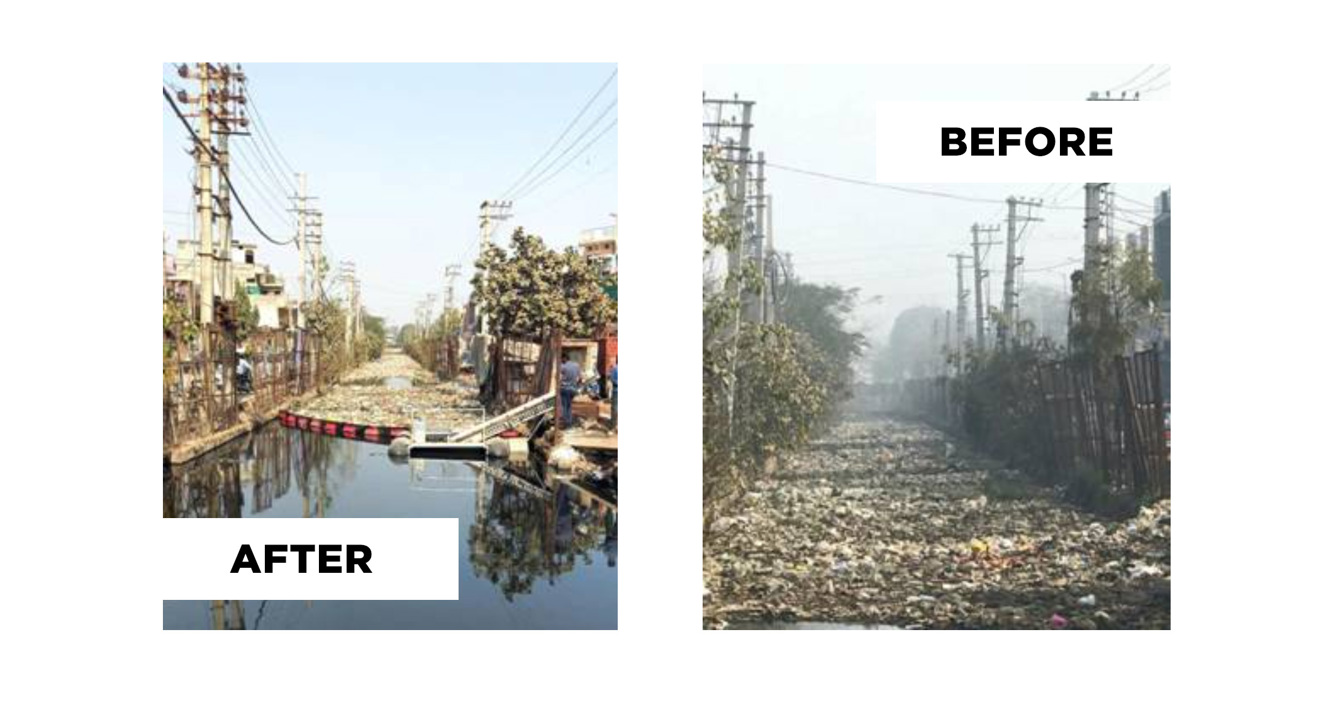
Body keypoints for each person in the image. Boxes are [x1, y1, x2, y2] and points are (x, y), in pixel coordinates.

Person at [559, 352, 581, 429]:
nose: (561, 360)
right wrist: (577, 386)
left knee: (564, 406)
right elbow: (580, 378)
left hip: (564, 389)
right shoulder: (576, 365)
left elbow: (558, 377)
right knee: (569, 406)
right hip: (573, 389)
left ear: (564, 358)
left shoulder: (562, 366)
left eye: (561, 359)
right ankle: (569, 422)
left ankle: (567, 424)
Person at [610, 357, 618, 431]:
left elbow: (612, 380)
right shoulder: (615, 369)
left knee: (614, 408)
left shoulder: (615, 369)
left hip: (616, 391)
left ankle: (613, 426)